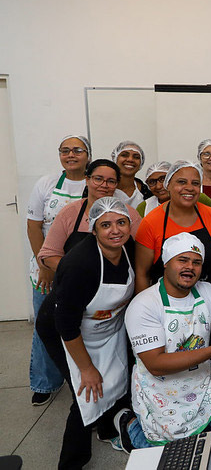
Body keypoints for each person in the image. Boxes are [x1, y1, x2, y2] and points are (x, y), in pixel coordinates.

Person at [115, 233, 211, 451]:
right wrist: (210, 352)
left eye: (196, 262)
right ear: (166, 263)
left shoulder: (206, 291)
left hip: (202, 378)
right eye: (182, 260)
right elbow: (155, 363)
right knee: (167, 453)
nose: (190, 267)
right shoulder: (144, 304)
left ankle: (196, 439)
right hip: (160, 388)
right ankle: (130, 425)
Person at [35, 198, 136, 468]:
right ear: (93, 230)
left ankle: (107, 429)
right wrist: (87, 367)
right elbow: (66, 324)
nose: (115, 230)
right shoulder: (80, 264)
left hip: (105, 327)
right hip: (63, 330)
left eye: (121, 222)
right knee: (86, 394)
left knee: (114, 379)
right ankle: (72, 462)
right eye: (106, 225)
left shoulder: (129, 249)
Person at [26, 135, 90, 406]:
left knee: (81, 327)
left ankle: (83, 376)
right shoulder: (47, 184)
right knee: (45, 325)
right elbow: (33, 226)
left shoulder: (95, 182)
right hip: (46, 270)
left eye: (77, 150)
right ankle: (45, 381)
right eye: (65, 150)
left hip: (83, 269)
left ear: (88, 154)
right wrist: (45, 265)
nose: (71, 154)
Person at [134, 160, 211, 300]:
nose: (189, 188)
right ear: (168, 186)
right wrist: (145, 306)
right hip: (168, 302)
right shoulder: (151, 222)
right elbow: (142, 273)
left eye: (195, 183)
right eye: (182, 182)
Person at [38, 160, 142, 274]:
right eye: (98, 179)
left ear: (116, 185)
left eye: (111, 181)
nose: (104, 185)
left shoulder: (131, 215)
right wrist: (79, 272)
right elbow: (49, 255)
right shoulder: (69, 213)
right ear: (87, 180)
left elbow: (143, 254)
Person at [137, 161, 211, 217]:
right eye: (152, 182)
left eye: (163, 179)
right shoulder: (144, 207)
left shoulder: (198, 198)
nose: (158, 186)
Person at [111, 141, 151, 208]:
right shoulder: (104, 189)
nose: (130, 159)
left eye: (136, 157)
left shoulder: (147, 192)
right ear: (115, 159)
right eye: (124, 155)